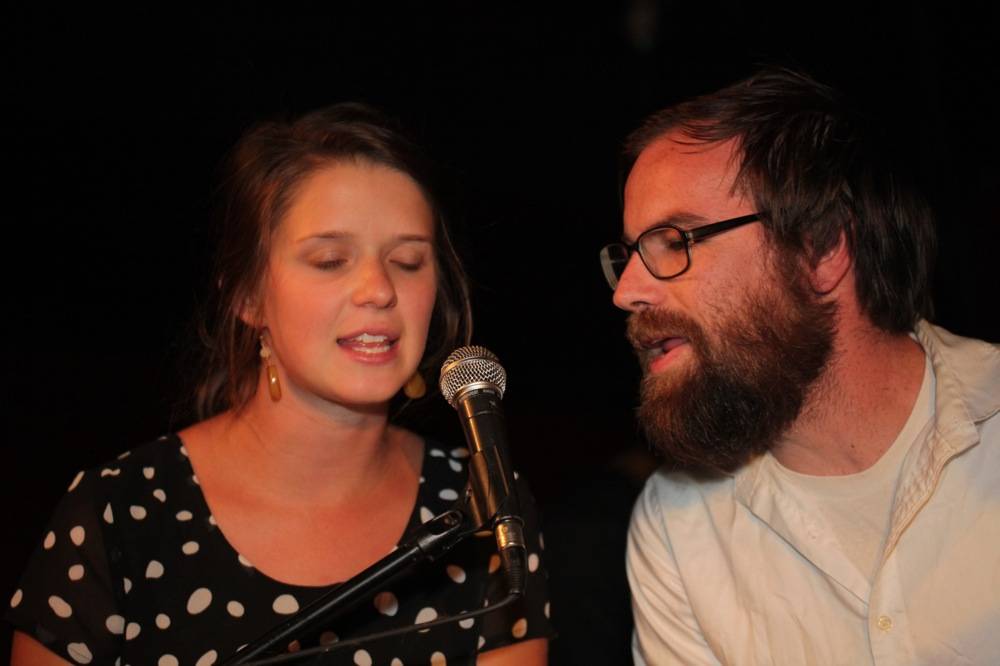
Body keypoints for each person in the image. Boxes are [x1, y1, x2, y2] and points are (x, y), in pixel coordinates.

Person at [8, 103, 552, 665]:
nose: (378, 289)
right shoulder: (121, 511)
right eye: (331, 260)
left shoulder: (489, 508)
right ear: (248, 296)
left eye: (409, 261)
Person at [600, 68, 1000, 664]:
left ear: (822, 249)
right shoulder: (679, 527)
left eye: (676, 241)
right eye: (630, 253)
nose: (626, 291)